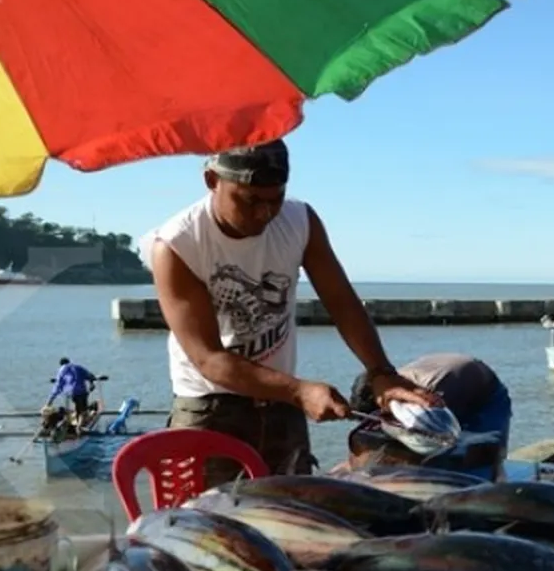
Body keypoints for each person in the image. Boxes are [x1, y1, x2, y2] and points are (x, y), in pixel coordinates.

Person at [144, 139, 438, 486]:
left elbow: (340, 300)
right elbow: (209, 359)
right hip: (210, 406)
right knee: (208, 523)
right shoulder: (178, 245)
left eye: (275, 199)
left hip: (281, 400)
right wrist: (300, 392)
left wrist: (381, 372)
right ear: (211, 180)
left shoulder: (300, 220)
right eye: (250, 200)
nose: (265, 214)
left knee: (291, 517)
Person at [348, 353, 512, 478]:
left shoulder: (424, 399)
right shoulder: (387, 381)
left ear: (382, 405)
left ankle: (497, 490)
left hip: (487, 394)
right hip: (452, 375)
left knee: (481, 454)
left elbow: (431, 440)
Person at [46, 357, 97, 428]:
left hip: (71, 392)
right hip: (82, 391)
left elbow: (57, 386)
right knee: (82, 410)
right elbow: (89, 375)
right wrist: (92, 383)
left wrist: (50, 401)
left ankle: (77, 422)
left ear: (61, 364)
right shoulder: (78, 367)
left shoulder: (61, 370)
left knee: (78, 406)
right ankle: (79, 427)